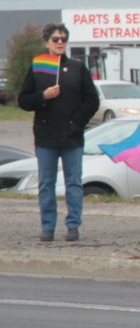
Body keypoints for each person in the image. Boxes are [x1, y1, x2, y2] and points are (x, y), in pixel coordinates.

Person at [18, 23, 99, 242]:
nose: (60, 42)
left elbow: (92, 100)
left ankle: (73, 225)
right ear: (47, 42)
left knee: (73, 183)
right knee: (46, 183)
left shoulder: (76, 67)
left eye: (63, 38)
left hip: (72, 136)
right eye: (55, 39)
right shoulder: (37, 66)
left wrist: (77, 122)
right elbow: (24, 100)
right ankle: (48, 227)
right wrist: (43, 96)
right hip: (46, 137)